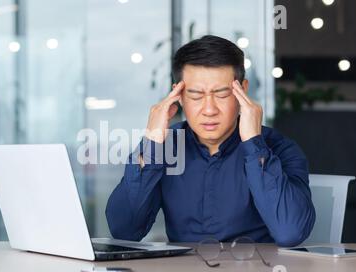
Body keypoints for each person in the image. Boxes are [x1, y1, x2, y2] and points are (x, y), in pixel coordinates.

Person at [105, 35, 315, 247]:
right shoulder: (164, 147)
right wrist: (152, 141)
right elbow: (124, 231)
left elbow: (291, 232)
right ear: (178, 94)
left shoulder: (279, 148)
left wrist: (254, 144)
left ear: (243, 90)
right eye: (195, 96)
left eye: (222, 95)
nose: (209, 110)